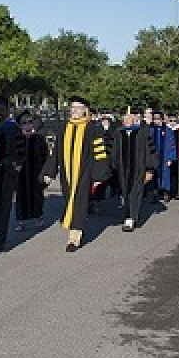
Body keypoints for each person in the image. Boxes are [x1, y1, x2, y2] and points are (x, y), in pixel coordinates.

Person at [40, 95, 111, 251]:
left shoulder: (93, 128)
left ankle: (74, 238)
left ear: (85, 110)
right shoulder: (64, 127)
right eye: (73, 107)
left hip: (84, 173)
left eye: (79, 108)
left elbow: (99, 153)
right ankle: (78, 227)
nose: (75, 111)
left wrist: (99, 175)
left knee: (79, 203)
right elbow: (56, 152)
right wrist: (49, 172)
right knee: (70, 201)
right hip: (66, 174)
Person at [0, 96, 25, 252]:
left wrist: (16, 166)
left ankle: (0, 240)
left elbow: (21, 151)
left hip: (7, 172)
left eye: (2, 109)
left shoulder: (13, 128)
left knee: (4, 205)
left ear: (8, 111)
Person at [110, 108, 157, 231]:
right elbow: (114, 152)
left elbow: (150, 151)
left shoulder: (143, 133)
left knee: (135, 193)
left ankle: (130, 218)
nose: (126, 120)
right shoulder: (118, 133)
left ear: (134, 118)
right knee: (126, 192)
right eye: (124, 118)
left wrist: (150, 169)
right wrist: (112, 166)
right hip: (122, 170)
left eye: (129, 117)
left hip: (138, 169)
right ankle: (128, 215)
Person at [14, 110, 49, 230]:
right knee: (20, 196)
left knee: (37, 195)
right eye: (24, 122)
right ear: (20, 125)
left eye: (30, 122)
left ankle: (39, 216)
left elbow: (45, 156)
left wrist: (45, 172)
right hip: (20, 173)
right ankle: (21, 221)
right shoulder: (16, 139)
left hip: (36, 172)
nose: (28, 125)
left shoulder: (39, 139)